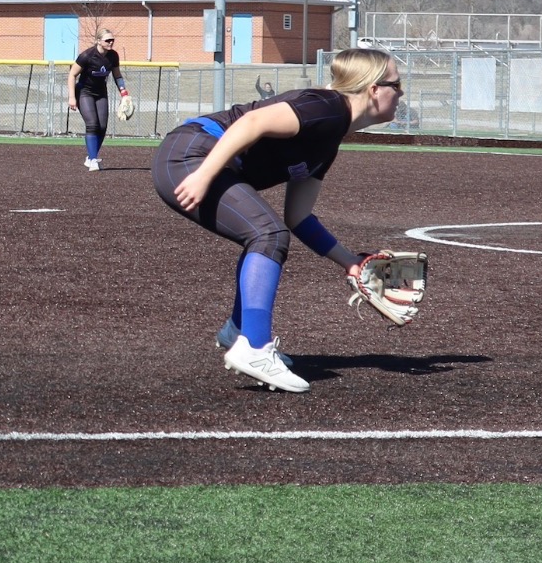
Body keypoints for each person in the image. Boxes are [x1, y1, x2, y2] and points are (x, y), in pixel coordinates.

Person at [151, 48, 406, 394]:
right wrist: (204, 173)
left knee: (266, 233)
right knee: (267, 234)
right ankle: (255, 348)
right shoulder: (327, 108)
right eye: (396, 84)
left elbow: (298, 217)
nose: (401, 93)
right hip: (191, 155)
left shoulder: (330, 138)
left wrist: (351, 262)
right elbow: (251, 122)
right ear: (374, 89)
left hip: (199, 158)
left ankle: (240, 330)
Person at [67, 28, 129, 171]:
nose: (111, 42)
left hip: (101, 93)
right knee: (92, 124)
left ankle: (90, 157)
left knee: (102, 127)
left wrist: (123, 91)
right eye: (107, 40)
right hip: (84, 92)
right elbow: (72, 75)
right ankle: (93, 160)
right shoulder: (87, 56)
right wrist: (71, 97)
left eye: (112, 39)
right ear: (98, 41)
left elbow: (117, 75)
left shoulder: (113, 56)